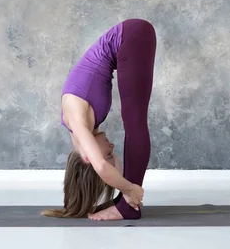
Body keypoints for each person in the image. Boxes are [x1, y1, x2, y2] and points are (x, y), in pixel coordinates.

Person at [41, 18, 157, 221]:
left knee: (135, 123)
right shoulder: (84, 128)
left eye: (109, 152)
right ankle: (125, 204)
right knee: (134, 122)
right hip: (132, 36)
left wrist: (130, 190)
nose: (112, 145)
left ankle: (128, 207)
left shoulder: (77, 122)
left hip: (130, 37)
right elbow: (110, 167)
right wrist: (123, 189)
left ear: (88, 158)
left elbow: (102, 167)